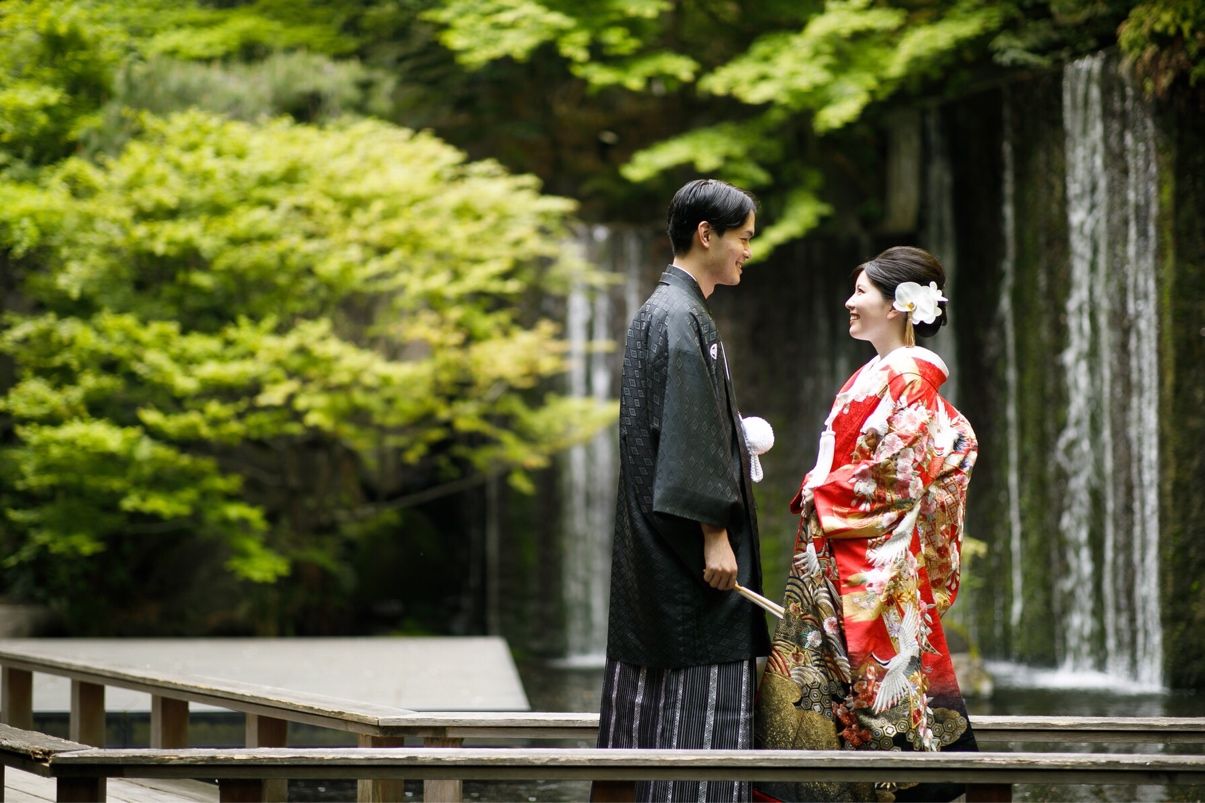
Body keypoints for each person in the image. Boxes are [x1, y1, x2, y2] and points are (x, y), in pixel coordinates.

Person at [753, 246, 979, 803]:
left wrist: (821, 492)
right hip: (842, 549)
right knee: (834, 688)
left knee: (870, 690)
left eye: (861, 292)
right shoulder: (876, 375)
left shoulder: (909, 378)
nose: (849, 302)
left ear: (899, 305)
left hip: (865, 559)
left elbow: (901, 474)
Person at [594, 179, 772, 803]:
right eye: (742, 238)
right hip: (691, 560)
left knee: (649, 715)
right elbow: (687, 433)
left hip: (658, 551)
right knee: (699, 726)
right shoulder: (678, 315)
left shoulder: (667, 310)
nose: (747, 251)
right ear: (706, 234)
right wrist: (715, 535)